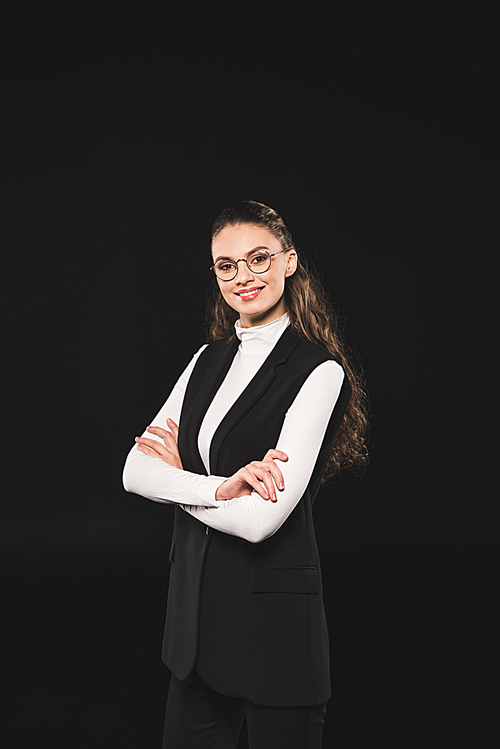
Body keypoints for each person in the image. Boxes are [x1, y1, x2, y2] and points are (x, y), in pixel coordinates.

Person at [122, 200, 369, 748]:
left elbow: (261, 520)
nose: (243, 276)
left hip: (273, 637)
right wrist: (217, 487)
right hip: (194, 635)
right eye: (226, 265)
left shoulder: (319, 372)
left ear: (289, 262)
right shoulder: (204, 361)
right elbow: (134, 471)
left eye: (259, 258)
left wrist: (176, 482)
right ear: (215, 274)